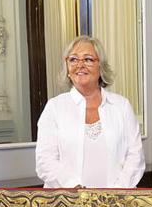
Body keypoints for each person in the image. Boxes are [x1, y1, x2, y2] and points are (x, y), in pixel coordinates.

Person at [35, 36, 144, 188]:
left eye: (88, 59)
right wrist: (74, 188)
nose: (80, 65)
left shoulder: (121, 106)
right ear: (67, 68)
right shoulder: (54, 108)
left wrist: (117, 193)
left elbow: (135, 156)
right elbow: (45, 161)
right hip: (67, 204)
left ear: (101, 67)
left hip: (116, 204)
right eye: (73, 59)